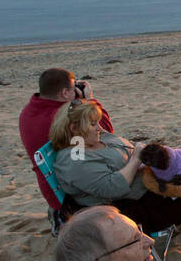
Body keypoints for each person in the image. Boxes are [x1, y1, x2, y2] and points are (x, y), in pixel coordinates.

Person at [49, 98, 181, 261]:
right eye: (92, 124)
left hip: (146, 189)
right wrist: (136, 160)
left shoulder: (96, 140)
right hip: (128, 209)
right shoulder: (73, 159)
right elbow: (113, 188)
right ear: (74, 128)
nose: (100, 128)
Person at [18, 68, 112, 232]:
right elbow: (104, 131)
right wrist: (89, 100)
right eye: (72, 89)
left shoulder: (28, 111)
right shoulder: (62, 118)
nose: (75, 92)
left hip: (52, 189)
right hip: (72, 191)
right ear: (63, 93)